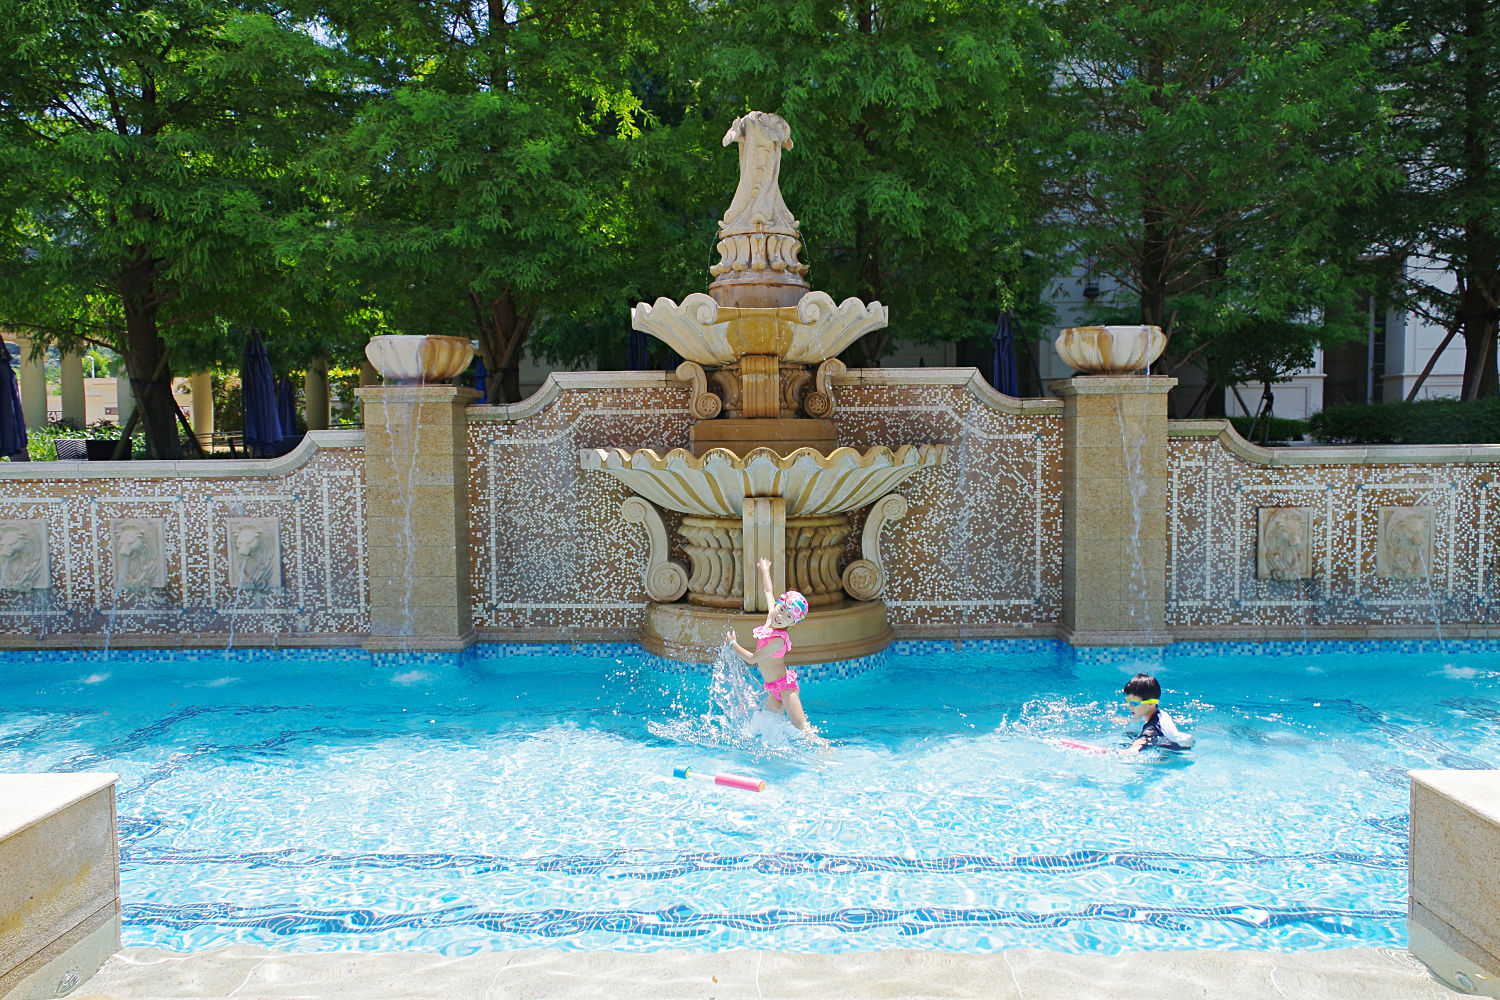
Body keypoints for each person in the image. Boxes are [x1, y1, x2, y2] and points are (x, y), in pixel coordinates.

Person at [726, 557, 822, 740]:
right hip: (773, 688)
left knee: (802, 727)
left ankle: (824, 747)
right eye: (781, 609)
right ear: (778, 604)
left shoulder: (778, 640)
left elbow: (753, 659)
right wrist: (764, 570)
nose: (780, 617)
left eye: (787, 617)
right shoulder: (772, 618)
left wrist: (733, 645)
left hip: (785, 687)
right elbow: (768, 591)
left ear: (792, 624)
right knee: (768, 725)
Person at [1117, 673, 1194, 752]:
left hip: (1171, 753)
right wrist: (1129, 720)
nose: (1129, 706)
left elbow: (1142, 740)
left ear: (1152, 704)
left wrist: (1127, 751)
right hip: (1181, 743)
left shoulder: (1152, 728)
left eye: (1134, 703)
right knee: (1130, 734)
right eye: (1128, 701)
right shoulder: (1160, 714)